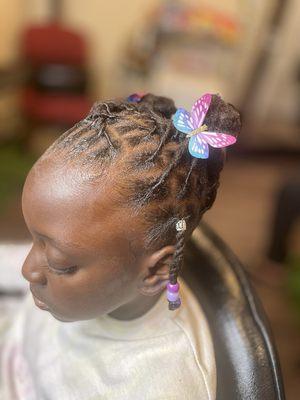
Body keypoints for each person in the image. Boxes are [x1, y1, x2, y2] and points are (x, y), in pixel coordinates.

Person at [0, 93, 241, 399]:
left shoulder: (158, 386)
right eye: (34, 238)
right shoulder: (87, 280)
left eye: (61, 264)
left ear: (155, 271)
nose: (28, 269)